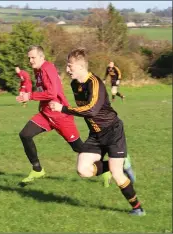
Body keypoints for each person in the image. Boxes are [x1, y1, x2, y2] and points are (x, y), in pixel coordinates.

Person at [49, 48, 144, 216]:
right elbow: (83, 109)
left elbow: (91, 110)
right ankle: (120, 163)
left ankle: (137, 208)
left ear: (80, 66)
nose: (67, 69)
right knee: (83, 170)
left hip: (113, 131)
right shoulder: (74, 84)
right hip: (95, 134)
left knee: (117, 175)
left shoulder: (95, 83)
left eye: (70, 66)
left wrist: (63, 109)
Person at [15, 45, 84, 184]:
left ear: (42, 57)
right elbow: (43, 91)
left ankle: (111, 163)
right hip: (46, 115)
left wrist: (30, 96)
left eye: (33, 57)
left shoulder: (48, 68)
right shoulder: (38, 71)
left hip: (60, 116)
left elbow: (52, 93)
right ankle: (37, 169)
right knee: (25, 134)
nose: (30, 61)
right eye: (29, 58)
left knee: (80, 149)